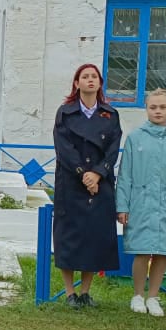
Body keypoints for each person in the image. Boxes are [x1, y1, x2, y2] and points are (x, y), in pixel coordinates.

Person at [116, 89, 166, 317]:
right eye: (153, 107)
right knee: (142, 250)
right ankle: (138, 295)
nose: (158, 111)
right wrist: (123, 206)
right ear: (147, 109)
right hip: (141, 201)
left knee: (162, 251)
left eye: (163, 107)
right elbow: (125, 174)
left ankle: (153, 296)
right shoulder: (136, 137)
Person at [51, 64, 122, 308]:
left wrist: (98, 174)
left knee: (94, 236)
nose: (90, 80)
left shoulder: (110, 114)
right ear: (77, 83)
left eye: (94, 77)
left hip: (100, 183)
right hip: (71, 182)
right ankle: (70, 293)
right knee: (69, 237)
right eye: (85, 77)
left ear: (100, 83)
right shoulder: (66, 112)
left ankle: (85, 292)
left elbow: (113, 150)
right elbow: (64, 148)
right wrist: (84, 175)